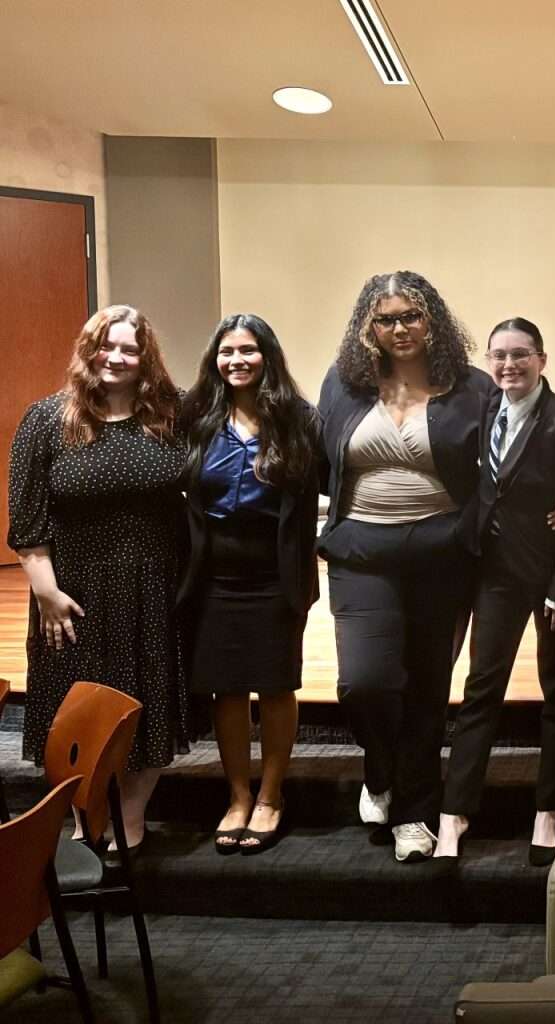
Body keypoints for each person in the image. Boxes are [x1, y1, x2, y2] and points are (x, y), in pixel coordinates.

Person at [317, 271, 493, 864]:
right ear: (368, 327)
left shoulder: (470, 386)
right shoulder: (343, 385)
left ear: (433, 320)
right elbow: (322, 464)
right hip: (360, 552)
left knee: (425, 687)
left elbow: (501, 463)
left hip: (443, 555)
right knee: (363, 682)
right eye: (386, 319)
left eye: (410, 316)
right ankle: (380, 770)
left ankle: (415, 811)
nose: (399, 329)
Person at [7, 304, 186, 849]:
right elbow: (27, 517)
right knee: (76, 714)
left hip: (153, 591)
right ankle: (87, 824)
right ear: (87, 351)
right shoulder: (47, 420)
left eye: (130, 348)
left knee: (147, 706)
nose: (117, 357)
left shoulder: (170, 416)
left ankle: (130, 826)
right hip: (73, 595)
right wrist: (47, 594)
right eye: (106, 346)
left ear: (145, 356)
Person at [435, 318, 555, 867]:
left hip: (554, 581)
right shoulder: (485, 410)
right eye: (499, 356)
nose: (509, 365)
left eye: (521, 355)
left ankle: (549, 808)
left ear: (542, 360)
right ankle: (455, 810)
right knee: (482, 689)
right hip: (498, 574)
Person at [178, 314, 323, 855]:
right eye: (226, 351)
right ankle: (237, 796)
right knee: (227, 688)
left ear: (268, 356)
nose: (236, 360)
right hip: (212, 576)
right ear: (214, 360)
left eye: (248, 350)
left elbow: (342, 480)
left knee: (277, 684)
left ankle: (270, 795)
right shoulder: (196, 418)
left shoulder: (300, 421)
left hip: (275, 575)